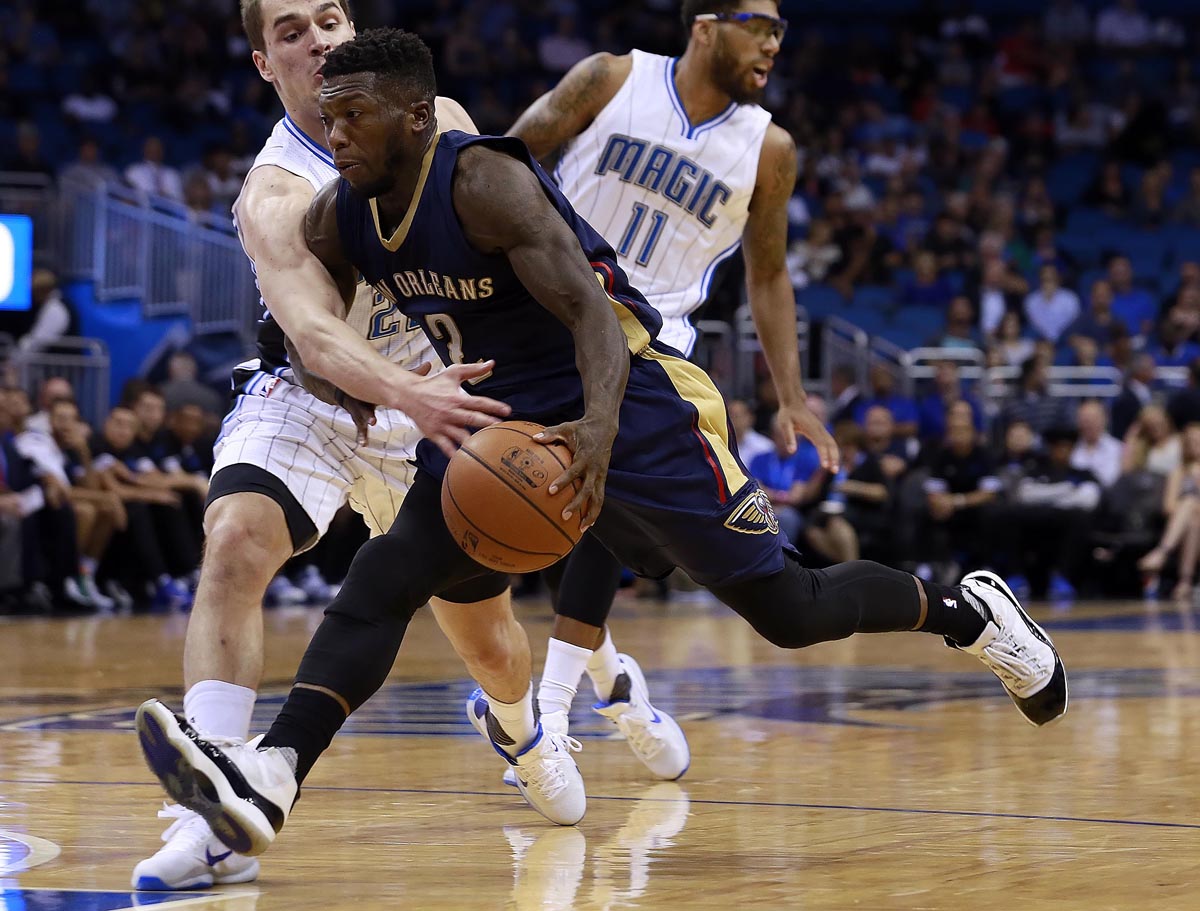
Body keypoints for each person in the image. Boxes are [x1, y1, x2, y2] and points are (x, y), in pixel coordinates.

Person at [135, 28, 1067, 864]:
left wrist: (594, 438)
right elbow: (315, 320)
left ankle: (970, 616)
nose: (334, 137)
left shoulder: (484, 181)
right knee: (386, 575)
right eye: (327, 119)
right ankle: (274, 771)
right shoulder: (343, 211)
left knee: (789, 606)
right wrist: (339, 380)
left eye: (354, 118)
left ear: (417, 118)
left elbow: (594, 316)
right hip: (498, 419)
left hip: (632, 402)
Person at [131, 0, 545, 893]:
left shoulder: (446, 125)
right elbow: (319, 339)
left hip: (438, 401)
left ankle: (522, 727)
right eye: (290, 30)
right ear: (263, 63)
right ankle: (211, 806)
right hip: (318, 398)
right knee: (236, 539)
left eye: (328, 17)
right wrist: (406, 391)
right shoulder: (274, 194)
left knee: (494, 645)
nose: (317, 38)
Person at [481, 0, 829, 779]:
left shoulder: (768, 148)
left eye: (781, 30)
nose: (773, 41)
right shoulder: (611, 80)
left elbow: (769, 276)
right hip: (546, 320)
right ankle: (614, 689)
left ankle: (551, 710)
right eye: (758, 23)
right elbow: (501, 161)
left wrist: (793, 394)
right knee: (515, 516)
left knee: (600, 505)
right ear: (706, 22)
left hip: (653, 341)